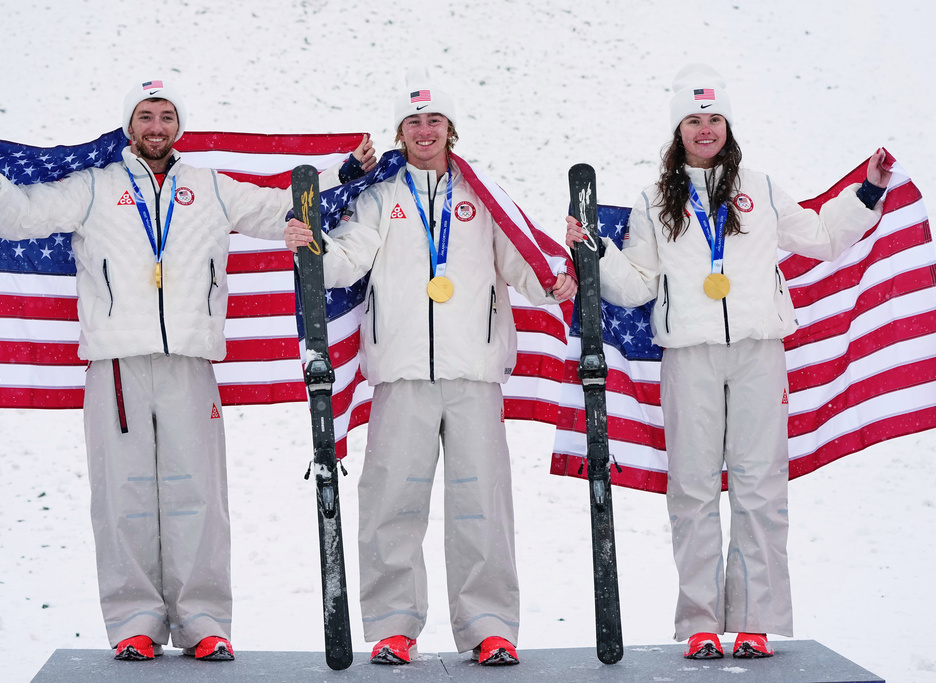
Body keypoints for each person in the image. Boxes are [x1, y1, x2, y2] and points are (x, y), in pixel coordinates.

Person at [0, 78, 376, 662]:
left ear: (179, 125)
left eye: (166, 116)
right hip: (116, 365)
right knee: (121, 494)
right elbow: (24, 215)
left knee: (198, 494)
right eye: (146, 115)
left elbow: (277, 203)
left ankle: (204, 621)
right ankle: (134, 621)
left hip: (190, 359)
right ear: (130, 125)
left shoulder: (209, 186)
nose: (156, 126)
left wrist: (343, 179)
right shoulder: (95, 186)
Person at [566, 64, 891, 660]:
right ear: (678, 131)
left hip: (757, 351)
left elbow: (820, 236)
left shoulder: (761, 189)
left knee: (760, 487)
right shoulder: (654, 200)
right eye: (694, 119)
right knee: (691, 487)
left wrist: (866, 192)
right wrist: (596, 253)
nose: (705, 128)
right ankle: (700, 622)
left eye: (714, 118)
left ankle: (754, 621)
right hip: (688, 356)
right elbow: (637, 285)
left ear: (728, 126)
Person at [285, 68, 577, 666]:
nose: (425, 131)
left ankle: (490, 627)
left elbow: (523, 261)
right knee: (392, 502)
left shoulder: (482, 196)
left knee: (483, 506)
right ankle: (394, 626)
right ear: (400, 132)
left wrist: (558, 282)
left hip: (474, 374)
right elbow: (347, 261)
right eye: (414, 122)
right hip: (401, 375)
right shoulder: (380, 196)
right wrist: (313, 246)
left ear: (452, 130)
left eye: (434, 121)